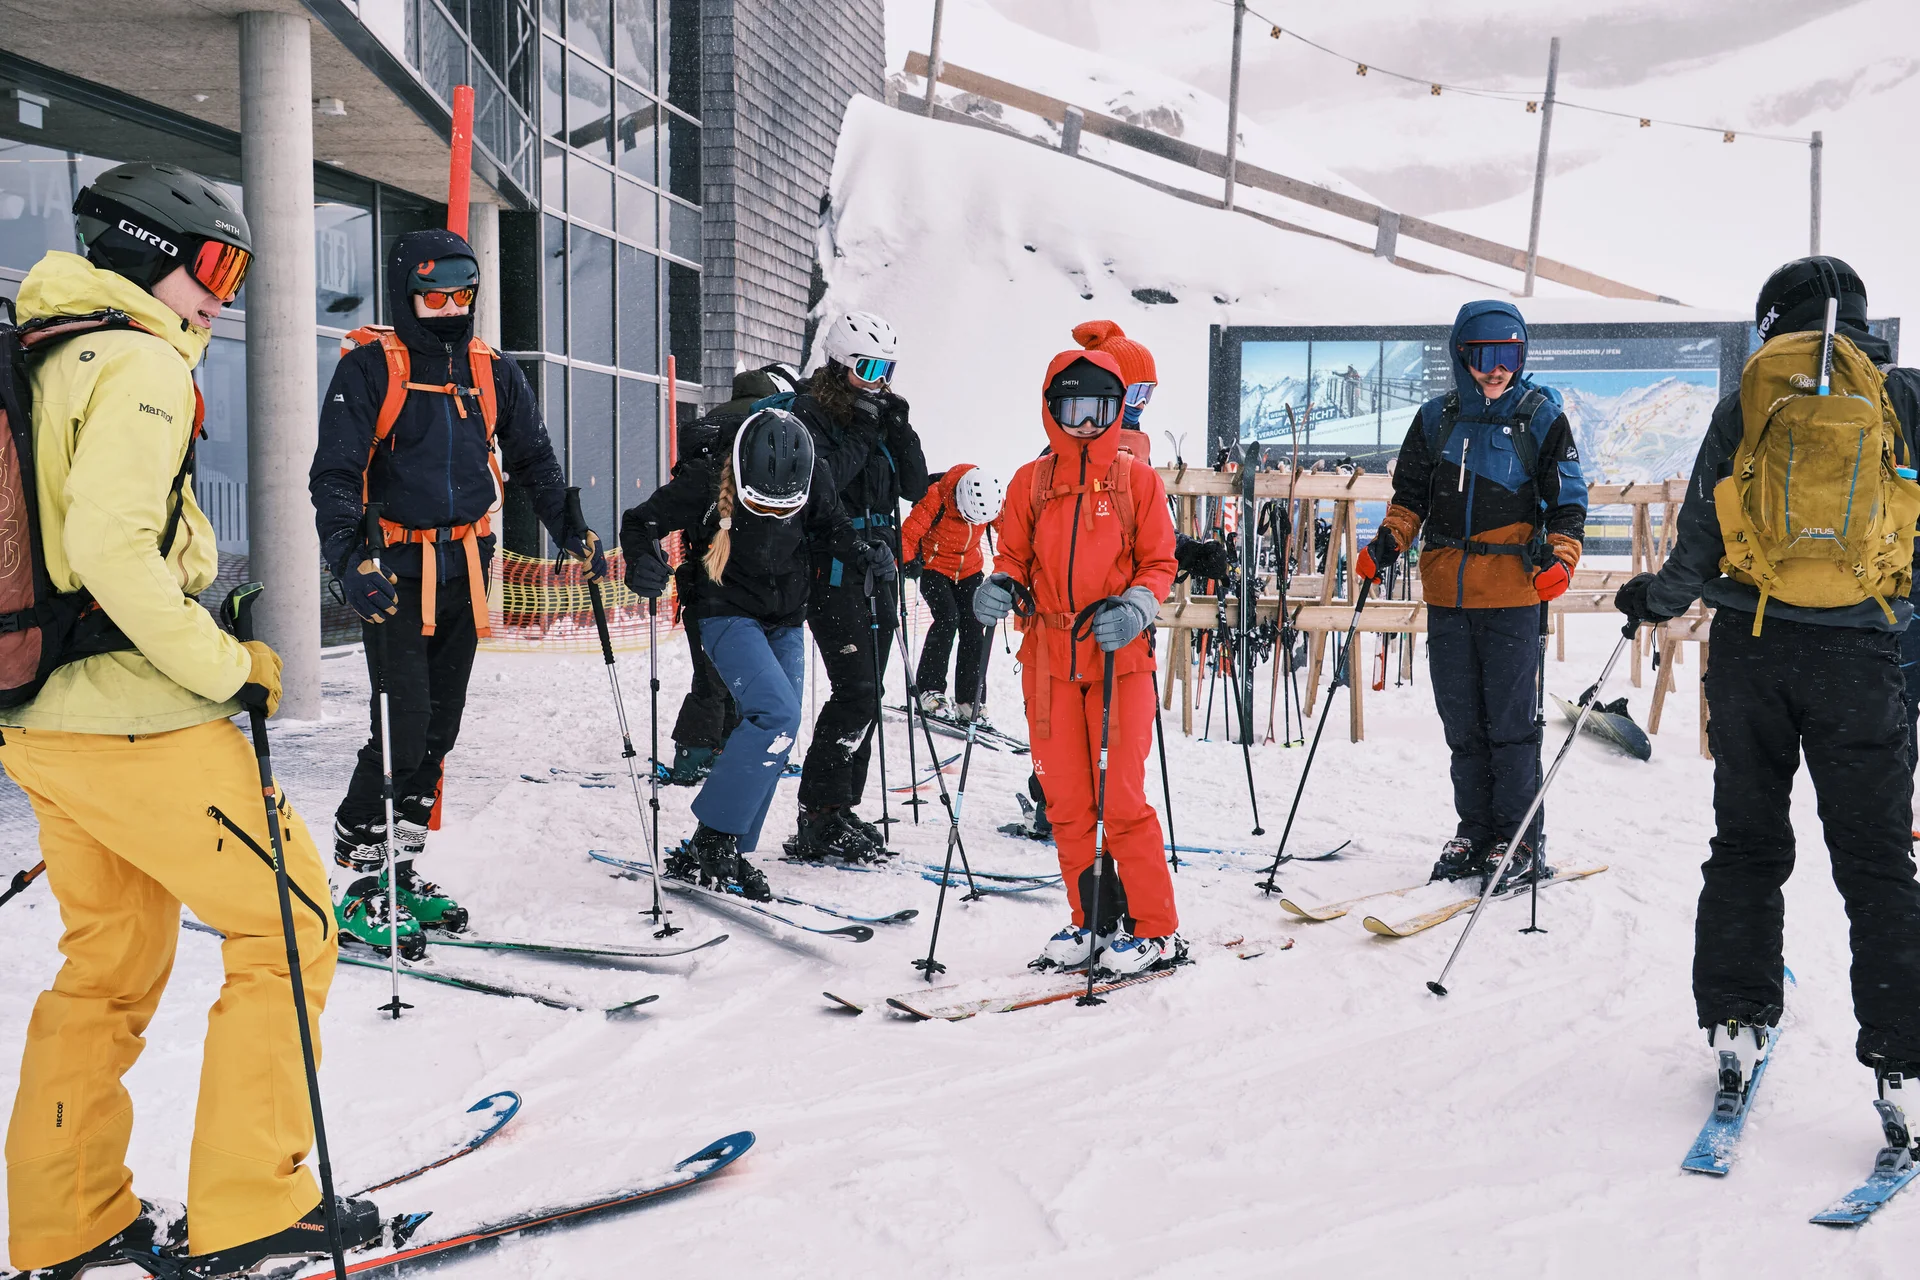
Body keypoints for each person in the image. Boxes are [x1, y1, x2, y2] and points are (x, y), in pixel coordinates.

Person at [1, 162, 381, 1276]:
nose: (222, 292)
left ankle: (65, 1213)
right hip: (140, 724)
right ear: (140, 249)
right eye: (213, 262)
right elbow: (114, 552)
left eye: (238, 269)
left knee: (107, 961)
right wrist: (231, 664)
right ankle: (252, 1203)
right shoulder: (141, 364)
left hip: (39, 720)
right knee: (292, 920)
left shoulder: (43, 353)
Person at [1615, 255, 1920, 1124]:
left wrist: (1654, 601)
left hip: (1753, 651)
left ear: (1772, 321)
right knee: (1876, 862)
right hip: (1863, 658)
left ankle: (1735, 1022)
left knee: (1748, 843)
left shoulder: (1749, 398)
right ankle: (1904, 1063)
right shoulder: (1904, 400)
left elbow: (1701, 538)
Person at [309, 228, 605, 945]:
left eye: (462, 295)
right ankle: (357, 879)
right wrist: (347, 560)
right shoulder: (370, 368)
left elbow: (534, 457)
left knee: (439, 732)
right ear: (406, 292)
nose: (448, 308)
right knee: (402, 728)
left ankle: (400, 873)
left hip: (466, 569)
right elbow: (336, 475)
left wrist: (571, 527)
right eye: (433, 295)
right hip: (394, 574)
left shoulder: (491, 370)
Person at [1359, 299, 1586, 889]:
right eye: (1483, 354)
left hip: (1513, 595)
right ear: (1462, 356)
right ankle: (1475, 832)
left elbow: (1568, 500)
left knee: (1510, 726)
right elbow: (1409, 496)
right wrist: (1388, 541)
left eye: (1509, 353)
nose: (1497, 367)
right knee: (1462, 723)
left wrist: (1561, 557)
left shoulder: (1541, 416)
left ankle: (1517, 840)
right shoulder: (1436, 418)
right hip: (1448, 594)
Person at [621, 407, 892, 899]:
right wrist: (641, 560)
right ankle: (715, 839)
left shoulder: (815, 475)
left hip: (785, 615)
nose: (770, 516)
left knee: (777, 733)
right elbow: (639, 522)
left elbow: (831, 527)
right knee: (776, 715)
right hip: (724, 610)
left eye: (780, 510)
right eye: (759, 507)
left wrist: (864, 552)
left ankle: (726, 846)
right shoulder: (706, 480)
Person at [975, 349, 1181, 976]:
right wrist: (999, 585)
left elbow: (1159, 562)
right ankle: (1092, 917)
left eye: (1100, 409)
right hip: (1048, 659)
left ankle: (1154, 928)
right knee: (1065, 800)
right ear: (1051, 409)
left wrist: (1140, 607)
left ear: (1118, 411)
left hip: (1118, 658)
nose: (1086, 422)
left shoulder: (1137, 482)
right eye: (1072, 408)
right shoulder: (1029, 482)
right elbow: (1011, 556)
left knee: (1119, 799)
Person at [788, 311, 929, 862]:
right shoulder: (812, 414)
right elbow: (826, 484)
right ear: (840, 364)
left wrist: (900, 425)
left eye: (886, 369)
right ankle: (818, 814)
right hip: (835, 572)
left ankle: (842, 805)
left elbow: (915, 486)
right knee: (857, 692)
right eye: (867, 367)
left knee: (873, 693)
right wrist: (865, 429)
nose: (877, 380)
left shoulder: (879, 413)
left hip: (880, 570)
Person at [663, 363, 801, 785]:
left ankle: (702, 750)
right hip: (750, 573)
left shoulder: (707, 429)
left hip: (702, 569)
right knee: (741, 675)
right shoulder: (762, 429)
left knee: (713, 672)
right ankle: (706, 752)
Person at [900, 463, 1005, 722]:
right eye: (970, 518)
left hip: (969, 569)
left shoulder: (989, 499)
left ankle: (971, 700)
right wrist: (907, 560)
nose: (976, 524)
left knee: (973, 625)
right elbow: (906, 535)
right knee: (948, 618)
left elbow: (1013, 533)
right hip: (933, 567)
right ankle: (929, 691)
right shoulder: (935, 497)